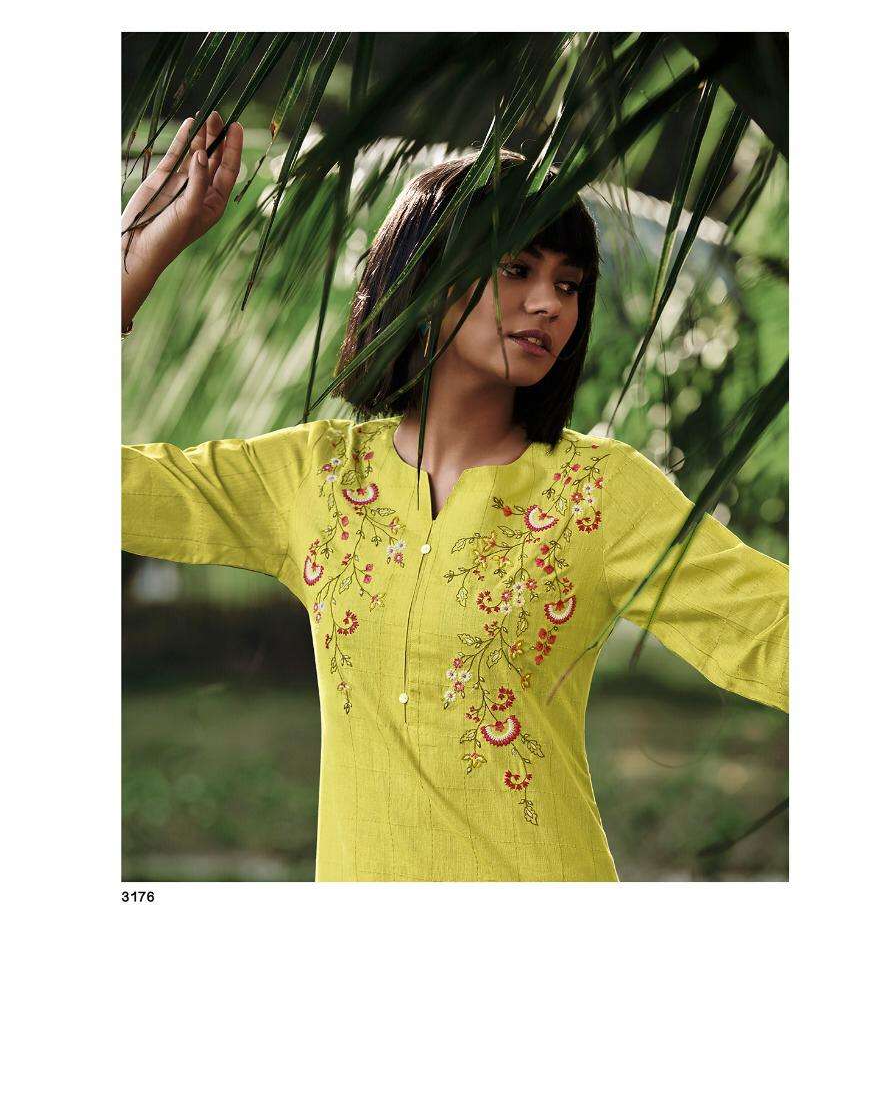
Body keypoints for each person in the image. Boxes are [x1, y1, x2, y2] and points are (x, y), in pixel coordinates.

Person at [122, 111, 788, 882]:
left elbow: (771, 628)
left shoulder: (599, 493)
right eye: (517, 269)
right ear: (425, 277)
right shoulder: (316, 477)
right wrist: (131, 269)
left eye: (569, 285)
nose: (549, 303)